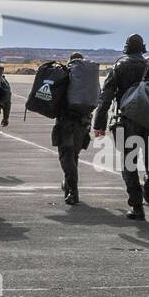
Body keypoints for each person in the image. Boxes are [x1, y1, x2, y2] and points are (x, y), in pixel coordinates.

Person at [93, 34, 149, 220]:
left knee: (129, 164)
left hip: (127, 121)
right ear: (143, 48)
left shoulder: (119, 67)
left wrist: (99, 124)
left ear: (126, 48)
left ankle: (137, 207)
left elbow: (105, 98)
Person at [55, 53, 94, 205]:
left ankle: (73, 190)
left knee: (66, 155)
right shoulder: (87, 79)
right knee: (74, 155)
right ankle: (69, 185)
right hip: (83, 123)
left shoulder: (67, 75)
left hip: (66, 122)